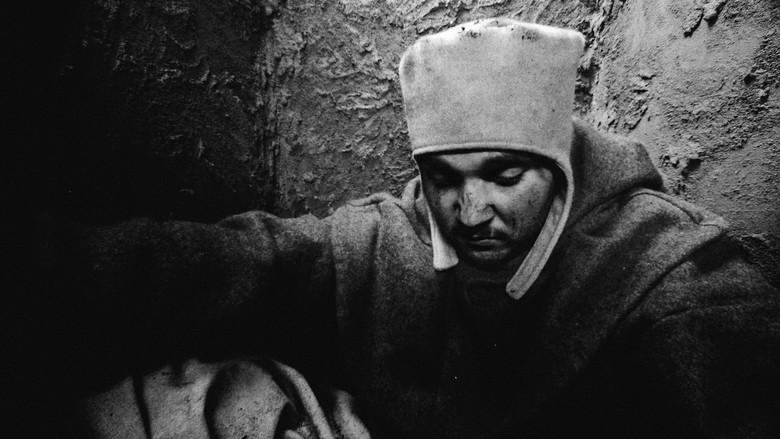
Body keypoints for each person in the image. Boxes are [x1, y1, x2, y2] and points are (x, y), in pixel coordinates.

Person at [13, 19, 780, 438]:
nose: (469, 211)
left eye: (505, 176)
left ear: (560, 167)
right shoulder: (401, 235)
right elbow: (243, 262)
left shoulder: (676, 282)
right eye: (445, 178)